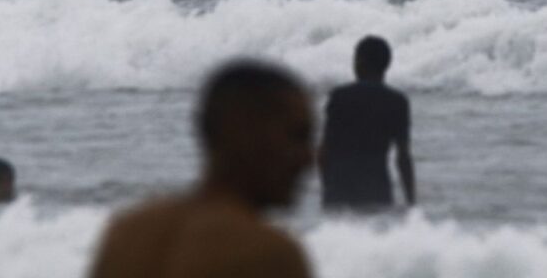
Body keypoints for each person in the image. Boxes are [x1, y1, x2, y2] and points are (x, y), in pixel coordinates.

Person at [89, 59, 315, 278]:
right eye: (297, 136)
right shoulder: (268, 254)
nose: (309, 158)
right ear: (244, 133)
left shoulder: (129, 234)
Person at [320, 35, 415, 211]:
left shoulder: (340, 96)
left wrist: (327, 188)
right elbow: (403, 157)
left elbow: (325, 151)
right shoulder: (397, 101)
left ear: (359, 62)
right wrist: (411, 202)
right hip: (377, 190)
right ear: (386, 64)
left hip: (339, 189)